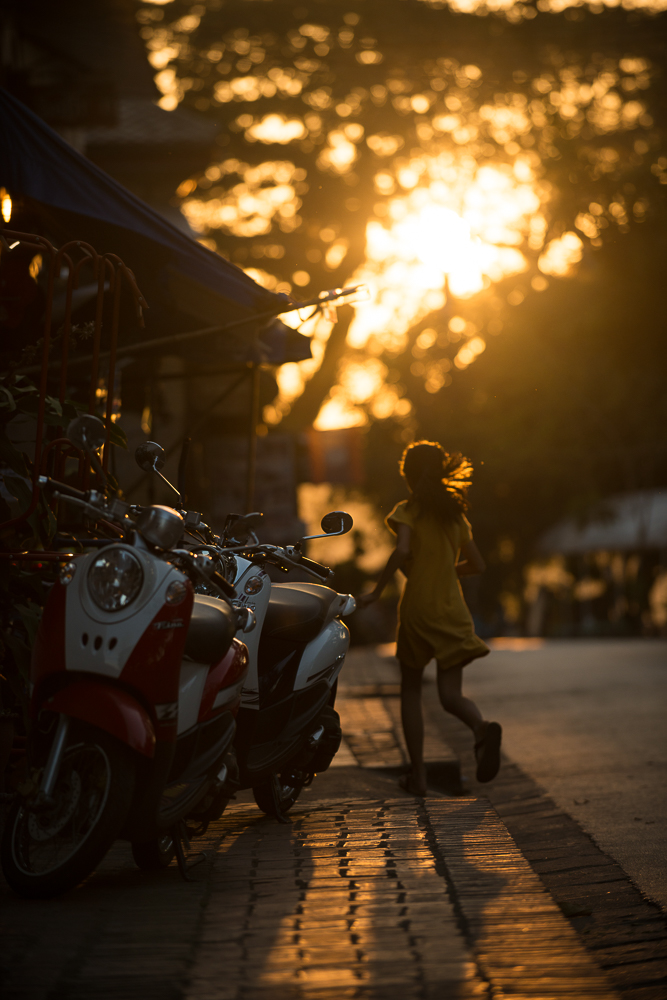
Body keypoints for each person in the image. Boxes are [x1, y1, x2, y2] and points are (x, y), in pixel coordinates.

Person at [358, 440, 501, 795]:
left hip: (419, 610)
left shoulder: (407, 511)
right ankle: (481, 729)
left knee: (410, 689)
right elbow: (478, 565)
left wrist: (376, 592)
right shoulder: (455, 516)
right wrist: (445, 570)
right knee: (451, 696)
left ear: (408, 476)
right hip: (452, 611)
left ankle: (419, 777)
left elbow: (403, 550)